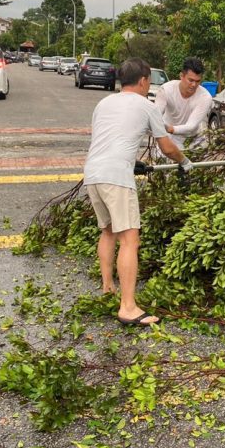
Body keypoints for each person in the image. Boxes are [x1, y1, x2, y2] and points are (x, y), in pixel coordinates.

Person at [83, 57, 191, 326]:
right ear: (143, 81)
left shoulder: (103, 103)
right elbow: (167, 148)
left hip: (93, 173)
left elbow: (110, 137)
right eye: (149, 81)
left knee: (108, 231)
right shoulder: (146, 105)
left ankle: (108, 287)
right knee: (130, 239)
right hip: (116, 177)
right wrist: (185, 162)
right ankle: (128, 307)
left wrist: (133, 163)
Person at [155, 57, 213, 150]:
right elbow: (156, 115)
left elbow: (191, 126)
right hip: (168, 136)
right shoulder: (166, 90)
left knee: (193, 162)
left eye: (198, 81)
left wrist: (170, 128)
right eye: (190, 80)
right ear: (181, 76)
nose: (194, 85)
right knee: (164, 162)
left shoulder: (205, 97)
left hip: (192, 139)